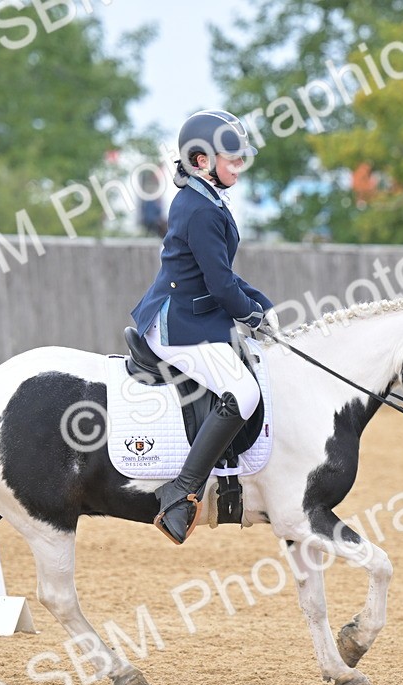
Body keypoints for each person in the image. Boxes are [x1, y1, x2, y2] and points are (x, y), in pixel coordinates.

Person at [129, 109, 277, 545]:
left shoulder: (207, 198)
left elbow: (223, 274)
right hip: (180, 323)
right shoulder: (199, 208)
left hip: (194, 313)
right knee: (244, 392)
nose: (238, 167)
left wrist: (261, 306)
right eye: (231, 160)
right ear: (200, 160)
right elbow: (218, 283)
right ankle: (182, 490)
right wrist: (250, 315)